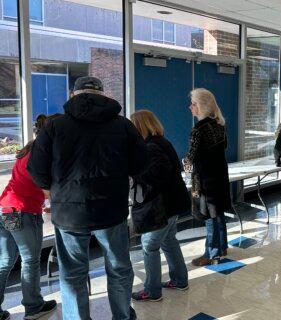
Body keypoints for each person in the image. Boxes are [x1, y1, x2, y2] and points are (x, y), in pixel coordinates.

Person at [27, 76, 148, 320]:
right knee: (119, 269)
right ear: (103, 95)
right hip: (111, 210)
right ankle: (123, 316)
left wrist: (56, 188)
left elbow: (36, 171)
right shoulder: (122, 125)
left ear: (74, 95)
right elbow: (141, 163)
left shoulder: (54, 127)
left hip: (69, 213)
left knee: (73, 275)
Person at [130, 110, 191, 302]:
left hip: (163, 207)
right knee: (169, 241)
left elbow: (158, 174)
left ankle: (152, 291)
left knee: (149, 246)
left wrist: (135, 173)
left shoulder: (150, 147)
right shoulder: (162, 142)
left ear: (140, 127)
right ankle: (180, 280)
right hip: (173, 204)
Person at [0, 118, 58, 320]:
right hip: (24, 212)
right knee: (31, 261)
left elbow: (29, 183)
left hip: (6, 208)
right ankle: (34, 306)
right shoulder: (42, 155)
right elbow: (46, 188)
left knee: (5, 261)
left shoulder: (27, 149)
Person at [187, 89, 231, 267]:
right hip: (220, 174)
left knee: (209, 216)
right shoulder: (219, 124)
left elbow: (191, 157)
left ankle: (211, 253)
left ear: (201, 106)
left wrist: (184, 165)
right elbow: (224, 147)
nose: (190, 107)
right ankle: (222, 247)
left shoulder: (198, 129)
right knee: (218, 212)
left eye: (193, 104)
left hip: (205, 179)